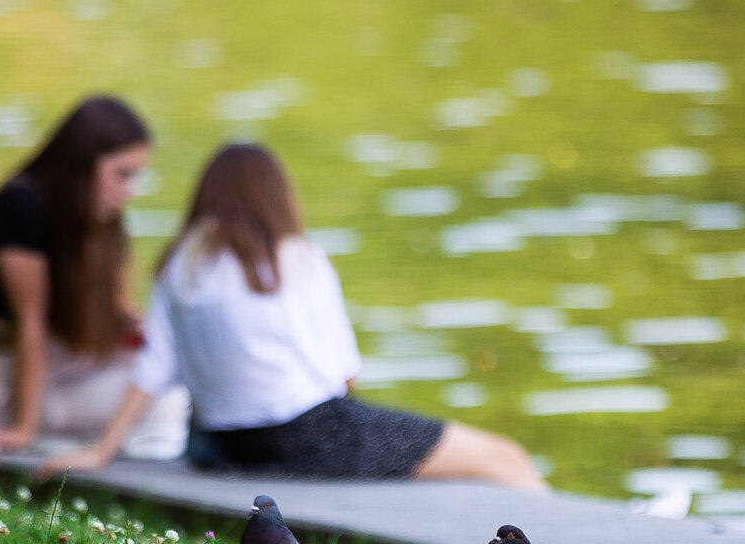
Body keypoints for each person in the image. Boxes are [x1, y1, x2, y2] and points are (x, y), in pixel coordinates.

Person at [36, 142, 547, 490]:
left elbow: (154, 368)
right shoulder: (298, 259)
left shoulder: (180, 262)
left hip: (223, 445)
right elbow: (344, 373)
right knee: (505, 458)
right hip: (310, 433)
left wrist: (101, 451)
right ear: (274, 195)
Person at [0, 95, 187, 459]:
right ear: (83, 164)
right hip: (14, 385)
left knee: (178, 370)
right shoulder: (20, 207)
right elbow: (29, 326)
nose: (130, 190)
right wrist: (22, 430)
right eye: (122, 174)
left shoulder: (100, 216)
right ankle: (112, 442)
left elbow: (121, 310)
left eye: (135, 176)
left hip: (73, 363)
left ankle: (118, 438)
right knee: (170, 398)